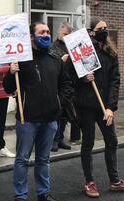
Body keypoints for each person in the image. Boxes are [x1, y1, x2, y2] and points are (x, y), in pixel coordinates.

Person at [3, 22, 73, 201]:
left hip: (50, 118)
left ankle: (44, 194)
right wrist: (11, 72)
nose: (46, 35)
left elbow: (66, 84)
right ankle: (20, 197)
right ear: (31, 37)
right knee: (22, 159)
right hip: (28, 119)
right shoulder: (21, 60)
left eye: (48, 32)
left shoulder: (55, 59)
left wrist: (59, 102)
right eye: (42, 32)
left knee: (44, 159)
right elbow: (9, 88)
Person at [75, 18, 124, 198]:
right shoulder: (83, 51)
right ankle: (89, 182)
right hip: (87, 105)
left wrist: (111, 107)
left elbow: (115, 81)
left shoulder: (111, 53)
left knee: (112, 140)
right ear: (91, 32)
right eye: (100, 28)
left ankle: (115, 181)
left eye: (106, 28)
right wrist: (83, 78)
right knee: (87, 142)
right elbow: (70, 78)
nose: (104, 30)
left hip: (104, 107)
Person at [49, 22, 81, 151]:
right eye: (65, 34)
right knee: (57, 114)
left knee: (66, 115)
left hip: (71, 84)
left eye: (69, 34)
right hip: (57, 85)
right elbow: (50, 65)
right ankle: (53, 140)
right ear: (59, 32)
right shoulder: (52, 46)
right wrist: (61, 60)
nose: (66, 36)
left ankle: (60, 139)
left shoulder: (72, 46)